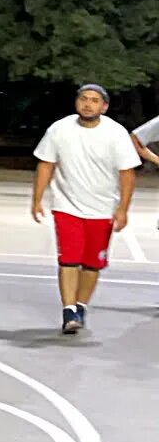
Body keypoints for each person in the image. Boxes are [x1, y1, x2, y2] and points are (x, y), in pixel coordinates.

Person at [31, 84, 139, 334]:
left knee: (92, 264)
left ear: (104, 106)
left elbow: (127, 174)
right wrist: (37, 199)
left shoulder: (116, 133)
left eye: (94, 100)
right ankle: (68, 310)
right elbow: (46, 164)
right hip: (66, 206)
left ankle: (80, 305)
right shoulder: (59, 129)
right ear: (76, 102)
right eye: (83, 99)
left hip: (101, 209)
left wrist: (122, 209)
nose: (87, 104)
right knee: (69, 259)